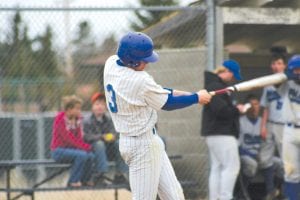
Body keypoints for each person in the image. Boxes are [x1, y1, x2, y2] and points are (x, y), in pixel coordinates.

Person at [103, 32, 211, 200]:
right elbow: (167, 103)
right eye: (144, 60)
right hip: (141, 145)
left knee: (175, 196)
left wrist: (182, 93)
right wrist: (196, 98)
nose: (147, 63)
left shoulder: (111, 64)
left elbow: (154, 91)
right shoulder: (139, 80)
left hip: (146, 141)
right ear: (132, 60)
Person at [201, 60, 245, 200]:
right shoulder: (216, 86)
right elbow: (221, 110)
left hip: (215, 133)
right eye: (232, 75)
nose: (232, 79)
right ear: (226, 71)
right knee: (231, 167)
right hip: (222, 133)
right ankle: (225, 197)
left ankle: (216, 198)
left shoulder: (214, 85)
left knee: (218, 167)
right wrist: (237, 110)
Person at [239, 94, 281, 200]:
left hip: (260, 154)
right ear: (246, 107)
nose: (254, 107)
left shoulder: (263, 122)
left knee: (280, 164)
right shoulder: (240, 121)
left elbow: (268, 145)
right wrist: (251, 154)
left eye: (256, 104)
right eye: (251, 104)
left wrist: (263, 155)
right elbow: (237, 147)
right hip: (245, 154)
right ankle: (241, 194)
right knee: (251, 164)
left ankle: (272, 192)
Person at [83, 92, 129, 184]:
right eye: (97, 104)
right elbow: (87, 137)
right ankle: (100, 175)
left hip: (108, 150)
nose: (100, 106)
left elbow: (115, 133)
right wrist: (102, 137)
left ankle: (120, 175)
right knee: (99, 144)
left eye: (102, 104)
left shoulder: (108, 119)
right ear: (92, 107)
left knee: (119, 142)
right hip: (94, 150)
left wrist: (113, 136)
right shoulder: (87, 120)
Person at [50, 95, 94, 187]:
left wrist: (86, 148)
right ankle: (72, 182)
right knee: (81, 155)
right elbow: (68, 139)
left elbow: (78, 138)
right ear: (69, 109)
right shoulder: (60, 119)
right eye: (77, 109)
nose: (79, 111)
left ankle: (85, 180)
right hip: (58, 151)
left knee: (90, 155)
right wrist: (86, 147)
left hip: (72, 150)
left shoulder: (78, 120)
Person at [276, 55, 300, 200]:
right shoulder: (286, 82)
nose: (297, 73)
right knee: (290, 171)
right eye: (295, 70)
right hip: (290, 130)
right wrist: (287, 74)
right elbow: (275, 81)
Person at [260, 46, 287, 158]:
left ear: (285, 65)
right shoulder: (268, 84)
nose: (276, 66)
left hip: (285, 125)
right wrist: (263, 126)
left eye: (279, 63)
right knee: (264, 158)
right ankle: (270, 176)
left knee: (286, 157)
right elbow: (266, 108)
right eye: (274, 64)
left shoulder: (290, 82)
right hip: (271, 123)